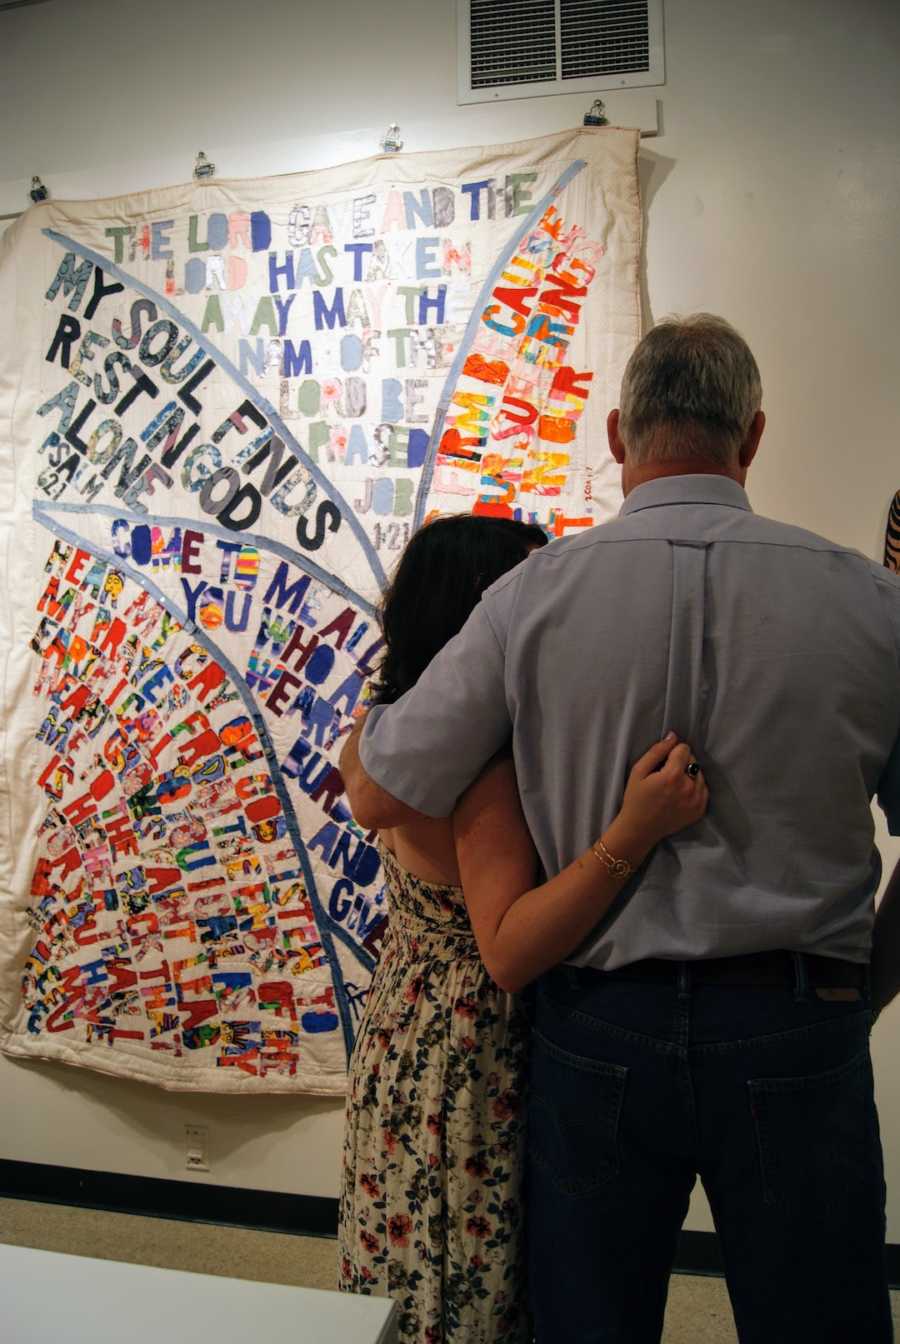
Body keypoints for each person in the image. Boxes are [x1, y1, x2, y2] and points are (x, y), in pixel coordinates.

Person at [341, 314, 900, 1344]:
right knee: (822, 1323)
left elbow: (379, 788)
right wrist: (865, 985)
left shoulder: (526, 599)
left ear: (615, 435)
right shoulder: (873, 604)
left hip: (596, 1023)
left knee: (590, 1325)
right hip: (795, 1015)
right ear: (755, 435)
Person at [337, 513, 708, 1344]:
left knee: (408, 1272)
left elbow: (362, 790)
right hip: (470, 1056)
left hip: (404, 1034)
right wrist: (632, 834)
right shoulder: (484, 763)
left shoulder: (386, 724)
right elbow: (506, 950)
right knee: (466, 1282)